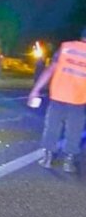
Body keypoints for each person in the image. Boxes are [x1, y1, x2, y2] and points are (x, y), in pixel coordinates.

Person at [28, 28, 86, 173]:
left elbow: (50, 70)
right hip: (78, 100)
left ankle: (47, 158)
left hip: (58, 96)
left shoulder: (66, 47)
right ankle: (69, 161)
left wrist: (36, 90)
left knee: (52, 127)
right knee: (74, 130)